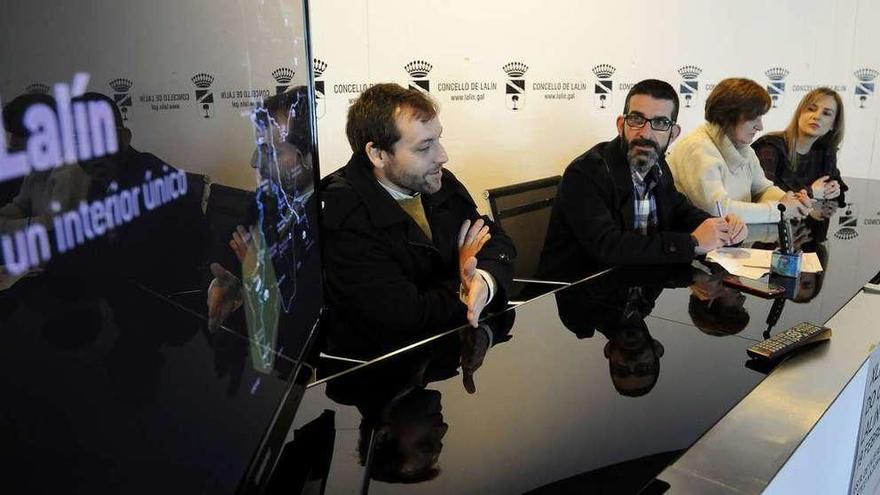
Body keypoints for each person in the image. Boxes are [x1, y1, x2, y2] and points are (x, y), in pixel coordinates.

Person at [320, 83, 515, 359]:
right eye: (424, 147)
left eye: (438, 139)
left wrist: (482, 280)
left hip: (447, 355)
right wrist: (462, 287)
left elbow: (496, 241)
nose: (442, 156)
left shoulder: (438, 181)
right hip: (379, 373)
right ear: (377, 154)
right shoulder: (343, 213)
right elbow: (403, 316)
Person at [539, 79, 746, 281]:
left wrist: (723, 229)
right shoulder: (586, 173)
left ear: (673, 133)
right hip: (585, 295)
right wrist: (692, 243)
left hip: (639, 288)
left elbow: (681, 212)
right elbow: (607, 246)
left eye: (660, 123)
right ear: (621, 125)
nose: (645, 133)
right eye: (637, 120)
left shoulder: (657, 164)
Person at [667, 78, 811, 223]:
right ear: (727, 116)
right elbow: (718, 211)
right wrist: (779, 210)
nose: (760, 127)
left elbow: (762, 189)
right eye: (753, 118)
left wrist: (792, 201)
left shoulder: (743, 147)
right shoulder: (696, 148)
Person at [752, 87, 847, 206]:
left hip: (809, 219)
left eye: (826, 113)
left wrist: (834, 188)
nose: (817, 116)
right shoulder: (770, 147)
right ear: (799, 114)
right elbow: (763, 195)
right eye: (811, 109)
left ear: (834, 124)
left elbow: (836, 183)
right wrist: (812, 192)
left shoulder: (825, 151)